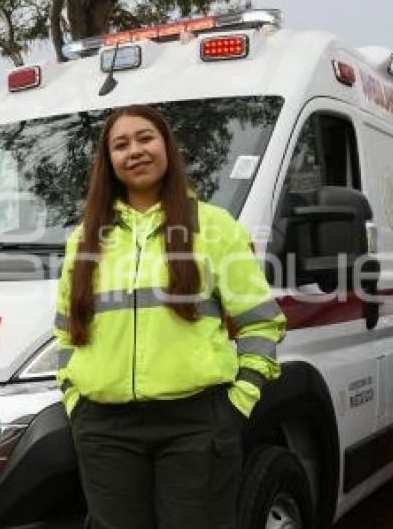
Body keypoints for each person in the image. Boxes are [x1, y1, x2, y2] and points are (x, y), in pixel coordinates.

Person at [53, 104, 287, 529]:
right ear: (109, 161)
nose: (135, 151)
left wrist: (239, 402)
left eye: (145, 138)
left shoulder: (214, 226)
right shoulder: (84, 238)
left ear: (167, 147)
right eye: (120, 145)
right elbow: (66, 334)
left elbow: (260, 323)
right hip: (104, 430)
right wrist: (75, 400)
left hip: (198, 425)